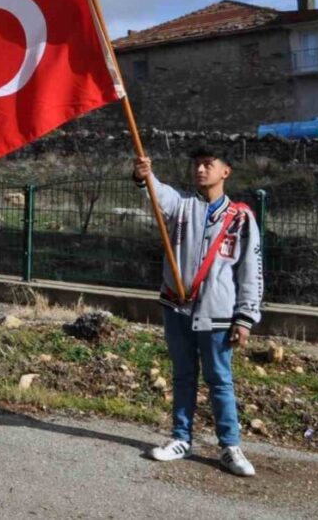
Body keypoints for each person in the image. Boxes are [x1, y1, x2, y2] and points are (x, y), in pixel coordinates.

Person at [133, 149, 262, 477]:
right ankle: (181, 437)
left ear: (226, 172)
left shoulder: (241, 217)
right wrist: (145, 173)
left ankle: (229, 446)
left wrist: (245, 316)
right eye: (197, 165)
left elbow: (251, 270)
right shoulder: (183, 207)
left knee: (220, 379)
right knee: (183, 375)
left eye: (209, 165)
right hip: (177, 308)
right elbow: (159, 193)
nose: (201, 170)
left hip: (217, 314)